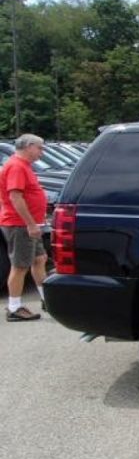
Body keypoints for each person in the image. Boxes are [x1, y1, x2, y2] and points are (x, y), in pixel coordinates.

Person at [0, 133, 48, 321]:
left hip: (28, 224)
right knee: (20, 265)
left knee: (40, 258)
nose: (41, 153)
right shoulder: (17, 167)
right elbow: (15, 197)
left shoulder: (23, 166)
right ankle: (14, 308)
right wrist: (30, 224)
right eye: (39, 148)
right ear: (28, 146)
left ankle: (46, 298)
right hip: (19, 225)